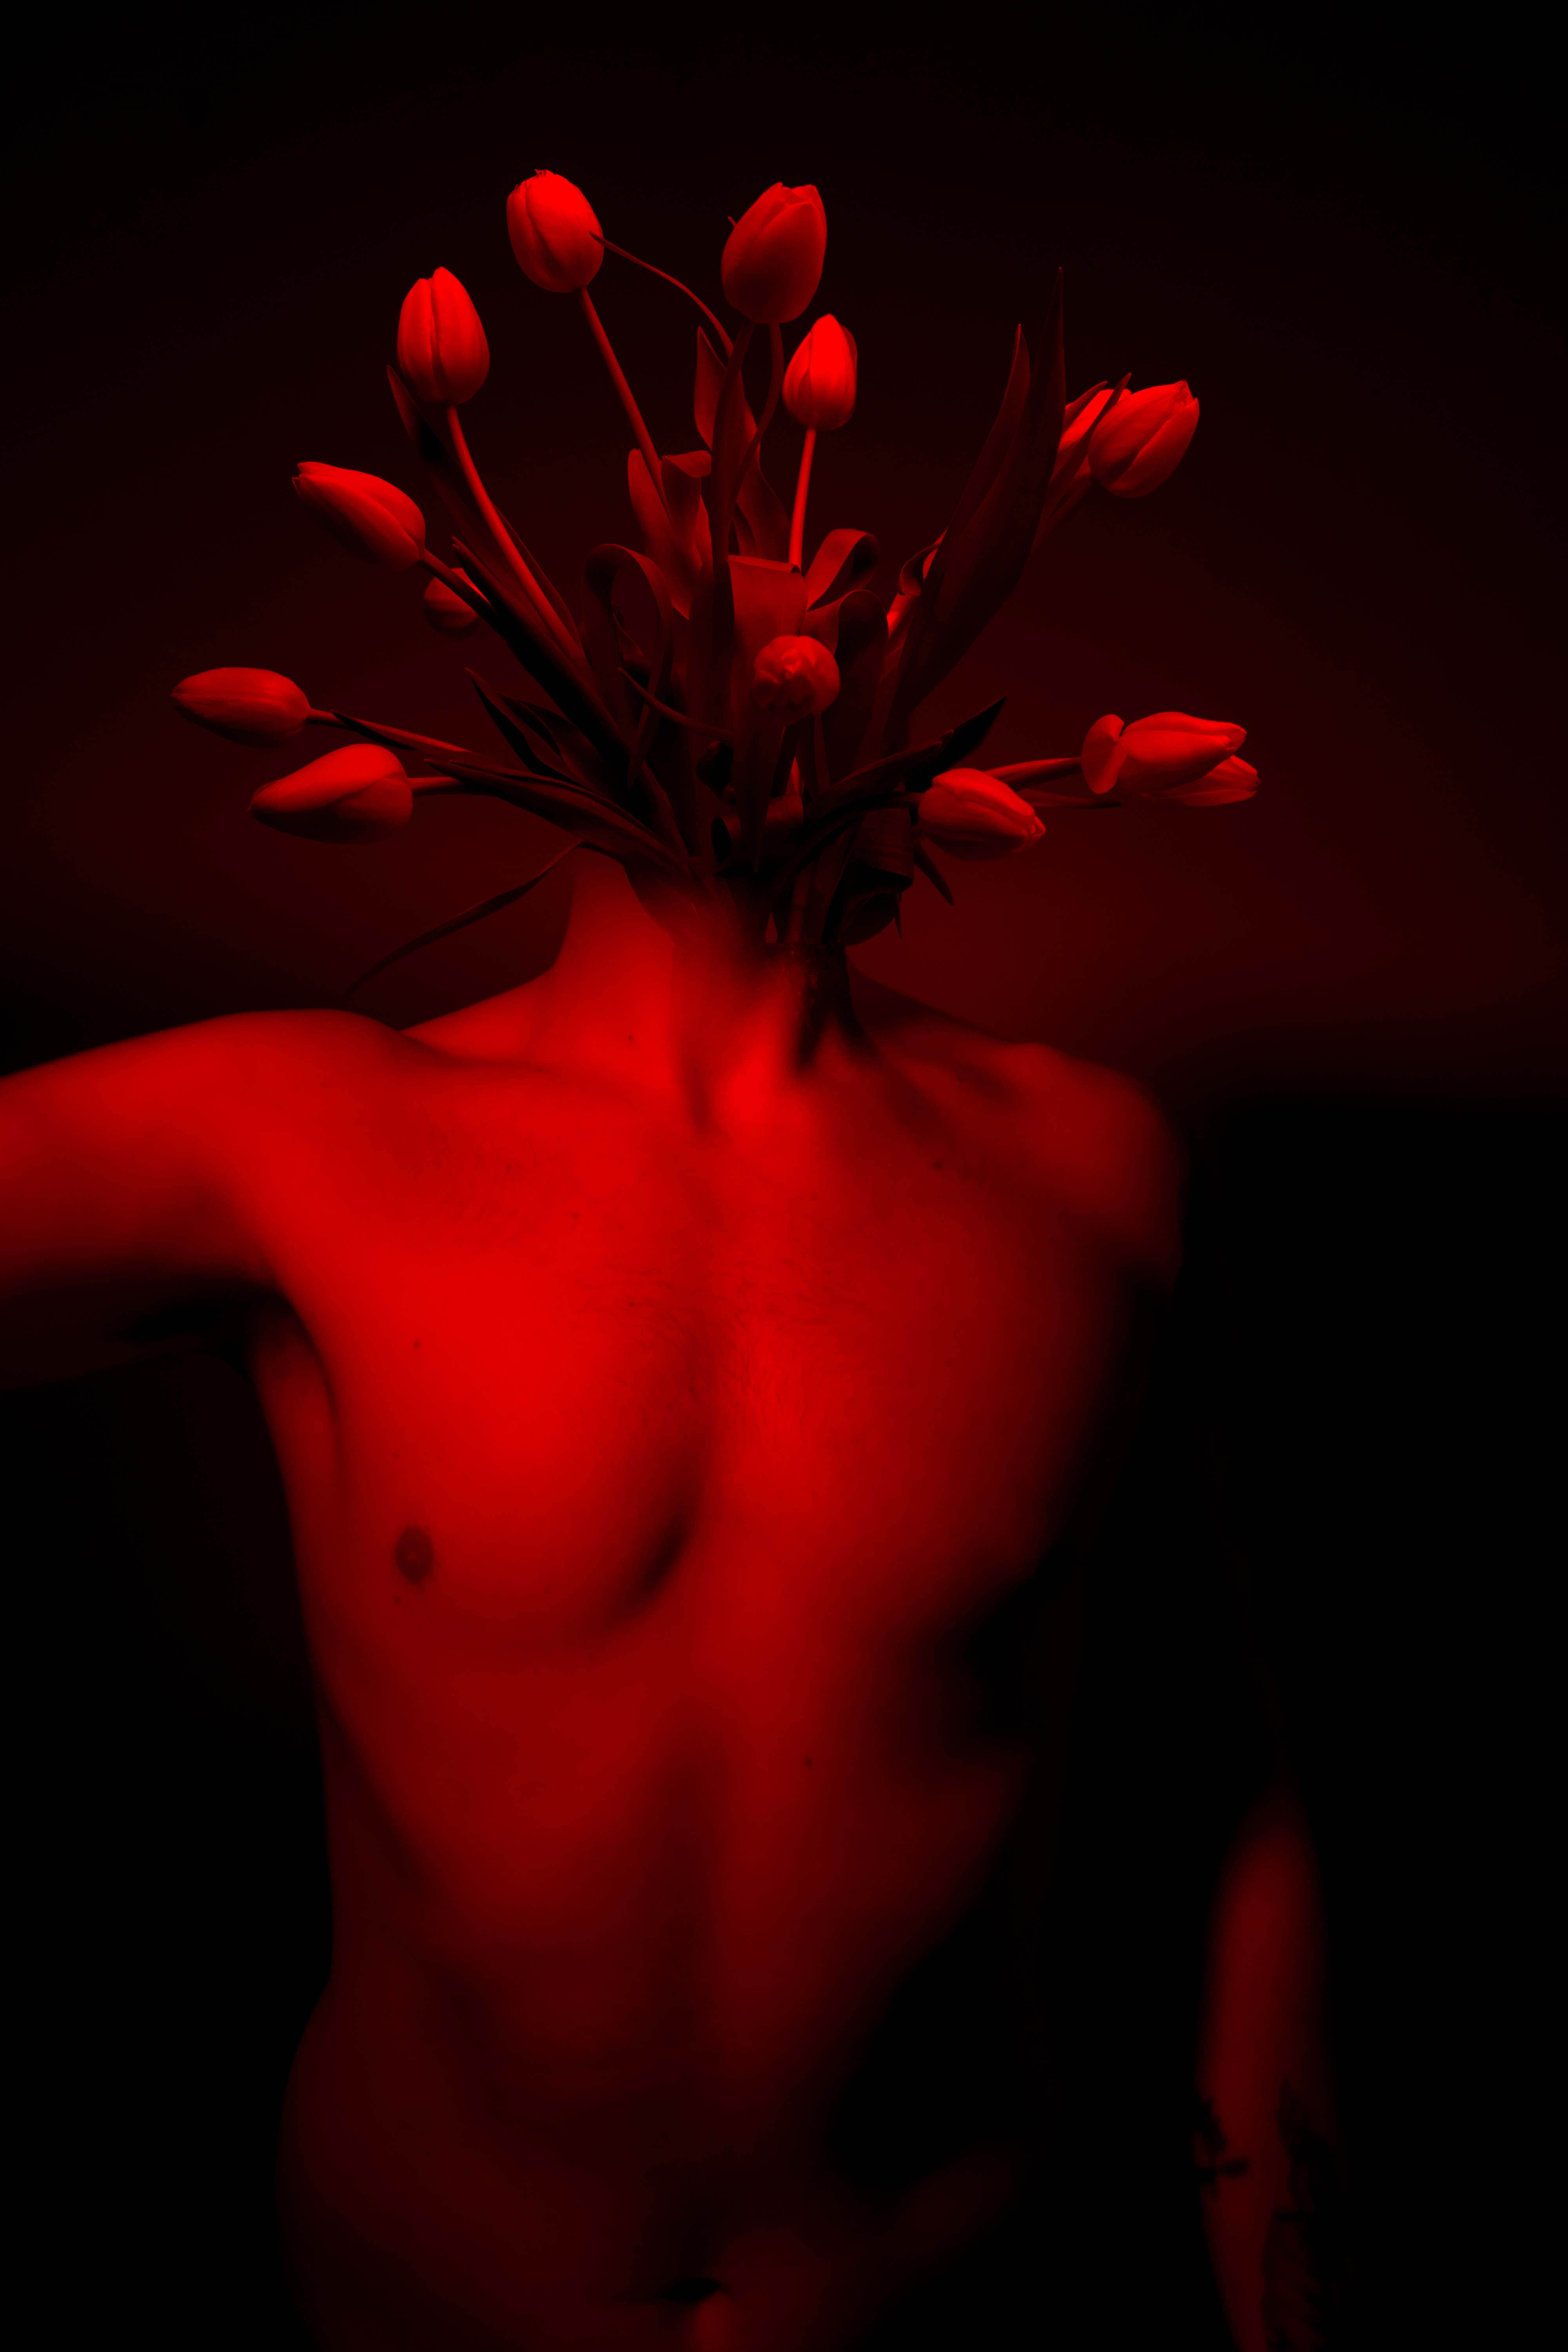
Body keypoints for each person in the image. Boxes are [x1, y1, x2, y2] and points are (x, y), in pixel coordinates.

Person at [1, 174, 1350, 2349]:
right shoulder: (302, 1135)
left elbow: (1226, 1794)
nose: (776, 641)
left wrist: (1290, 2317)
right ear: (602, 640)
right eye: (714, 576)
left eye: (823, 588)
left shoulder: (1095, 1170)